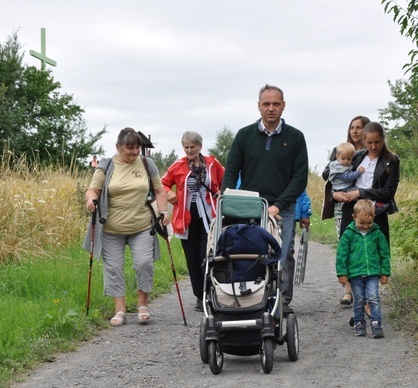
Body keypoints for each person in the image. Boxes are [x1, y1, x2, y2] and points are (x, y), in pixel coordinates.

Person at [221, 84, 309, 315]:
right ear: (258, 106)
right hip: (248, 207)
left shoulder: (295, 138)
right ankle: (251, 296)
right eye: (266, 104)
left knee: (282, 254)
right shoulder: (244, 135)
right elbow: (231, 171)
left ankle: (282, 302)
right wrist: (227, 199)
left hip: (283, 208)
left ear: (283, 106)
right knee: (249, 250)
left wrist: (278, 204)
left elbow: (299, 177)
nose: (271, 108)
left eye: (276, 104)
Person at [83, 128, 169, 327]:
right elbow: (92, 190)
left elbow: (159, 190)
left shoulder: (147, 164)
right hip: (111, 228)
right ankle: (119, 309)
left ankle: (142, 305)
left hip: (142, 225)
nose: (134, 152)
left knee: (144, 263)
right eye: (129, 148)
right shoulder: (106, 165)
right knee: (113, 268)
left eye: (137, 147)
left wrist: (163, 211)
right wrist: (91, 201)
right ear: (118, 147)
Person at [333, 121, 400, 308]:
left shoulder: (391, 160)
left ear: (383, 140)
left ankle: (369, 299)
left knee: (373, 253)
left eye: (377, 142)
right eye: (369, 142)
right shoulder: (356, 156)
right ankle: (360, 301)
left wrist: (361, 193)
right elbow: (333, 175)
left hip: (376, 212)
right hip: (352, 210)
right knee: (353, 251)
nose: (373, 146)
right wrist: (336, 194)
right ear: (364, 140)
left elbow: (388, 192)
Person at [161, 131, 224, 312]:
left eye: (192, 147)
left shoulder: (212, 163)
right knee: (192, 259)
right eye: (186, 147)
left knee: (209, 255)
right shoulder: (178, 166)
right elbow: (163, 183)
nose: (189, 150)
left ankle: (212, 292)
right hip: (186, 219)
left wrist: (221, 192)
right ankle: (199, 296)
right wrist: (169, 192)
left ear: (200, 146)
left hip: (209, 217)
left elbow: (225, 178)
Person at [336, 199, 390, 337]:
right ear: (353, 217)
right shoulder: (348, 234)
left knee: (373, 298)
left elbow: (384, 253)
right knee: (359, 299)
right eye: (361, 223)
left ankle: (376, 324)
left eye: (369, 223)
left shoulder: (377, 233)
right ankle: (359, 323)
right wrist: (342, 272)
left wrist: (385, 272)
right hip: (355, 274)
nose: (366, 226)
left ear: (374, 218)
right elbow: (342, 254)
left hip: (373, 273)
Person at [322, 116, 371, 242]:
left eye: (359, 128)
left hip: (364, 201)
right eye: (352, 128)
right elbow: (327, 175)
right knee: (344, 239)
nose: (354, 131)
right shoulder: (340, 150)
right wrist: (334, 194)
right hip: (342, 200)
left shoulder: (370, 153)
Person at [283, 190, 312, 296]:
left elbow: (301, 189)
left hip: (288, 212)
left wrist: (305, 212)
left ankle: (284, 298)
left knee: (286, 253)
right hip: (258, 210)